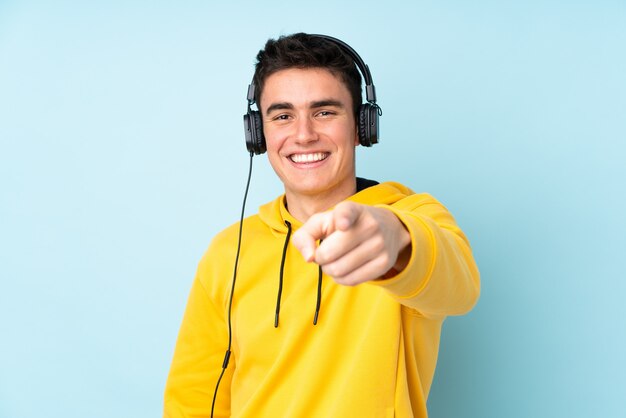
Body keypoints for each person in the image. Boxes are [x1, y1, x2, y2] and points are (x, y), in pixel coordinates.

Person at [163, 33, 480, 418]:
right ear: (258, 133)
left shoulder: (414, 215)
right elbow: (194, 394)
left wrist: (396, 238)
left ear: (362, 127)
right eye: (282, 116)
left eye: (325, 112)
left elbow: (460, 289)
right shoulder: (228, 250)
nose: (303, 134)